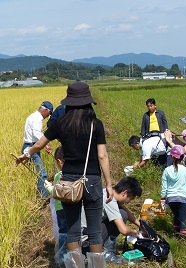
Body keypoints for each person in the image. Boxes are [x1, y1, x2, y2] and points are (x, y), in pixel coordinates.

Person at [16, 81, 113, 268]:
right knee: (94, 231)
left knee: (73, 230)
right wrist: (108, 184)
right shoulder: (96, 125)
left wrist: (25, 156)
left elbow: (39, 144)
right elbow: (102, 155)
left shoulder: (60, 124)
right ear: (88, 102)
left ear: (68, 102)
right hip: (92, 180)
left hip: (68, 182)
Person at [82, 176, 142, 264]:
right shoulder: (110, 200)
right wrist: (135, 233)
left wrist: (141, 226)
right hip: (85, 242)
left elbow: (127, 211)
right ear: (124, 193)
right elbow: (124, 230)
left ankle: (105, 249)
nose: (128, 202)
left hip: (80, 237)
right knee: (122, 215)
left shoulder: (106, 192)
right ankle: (107, 253)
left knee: (123, 213)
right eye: (131, 198)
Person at [160, 145, 186, 235]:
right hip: (183, 199)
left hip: (171, 199)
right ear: (183, 157)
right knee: (183, 218)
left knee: (177, 216)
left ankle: (176, 234)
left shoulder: (167, 170)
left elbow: (164, 187)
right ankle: (183, 236)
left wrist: (163, 200)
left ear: (172, 157)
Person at [21, 100, 53, 198]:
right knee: (41, 173)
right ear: (46, 110)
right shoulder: (37, 119)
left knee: (32, 174)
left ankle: (34, 195)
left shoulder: (32, 116)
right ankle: (43, 197)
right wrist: (46, 144)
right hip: (31, 148)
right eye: (49, 113)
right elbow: (37, 133)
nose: (48, 116)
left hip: (28, 146)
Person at [43, 146, 67, 265]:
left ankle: (61, 257)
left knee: (63, 232)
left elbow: (57, 192)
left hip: (61, 208)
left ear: (60, 161)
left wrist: (49, 188)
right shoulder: (75, 173)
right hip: (72, 208)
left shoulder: (59, 175)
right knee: (71, 231)